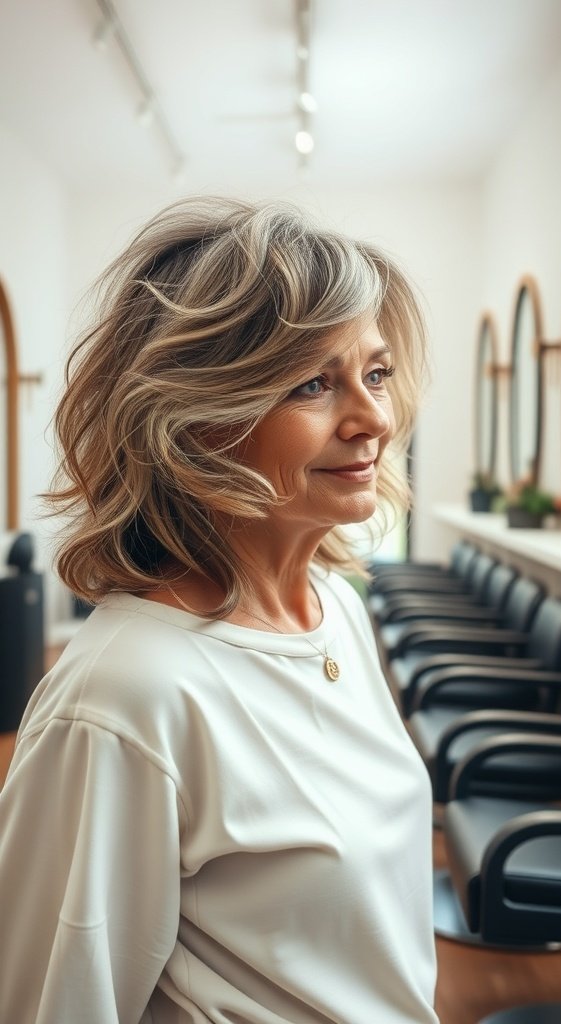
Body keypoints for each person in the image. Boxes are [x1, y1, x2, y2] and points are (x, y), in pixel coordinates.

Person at [0, 197, 438, 1024]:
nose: (375, 418)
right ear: (196, 420)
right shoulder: (123, 698)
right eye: (314, 383)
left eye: (375, 373)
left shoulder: (336, 608)